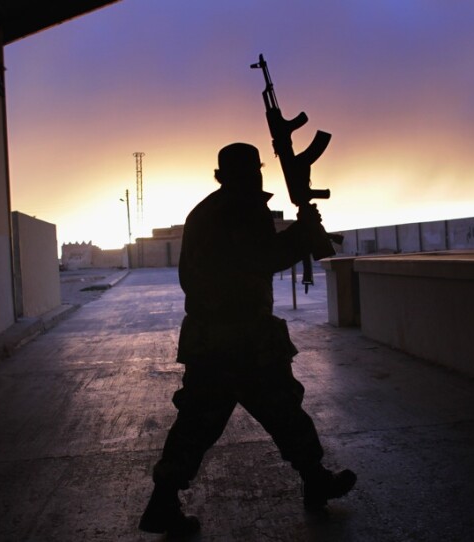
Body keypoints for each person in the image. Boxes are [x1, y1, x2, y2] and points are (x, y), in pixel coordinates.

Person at [138, 143, 356, 537]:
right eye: (252, 172)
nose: (256, 178)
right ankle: (314, 479)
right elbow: (262, 257)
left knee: (205, 424)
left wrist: (299, 231)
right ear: (242, 175)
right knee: (279, 413)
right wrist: (303, 232)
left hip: (215, 340)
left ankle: (163, 502)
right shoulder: (240, 208)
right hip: (241, 340)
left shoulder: (206, 210)